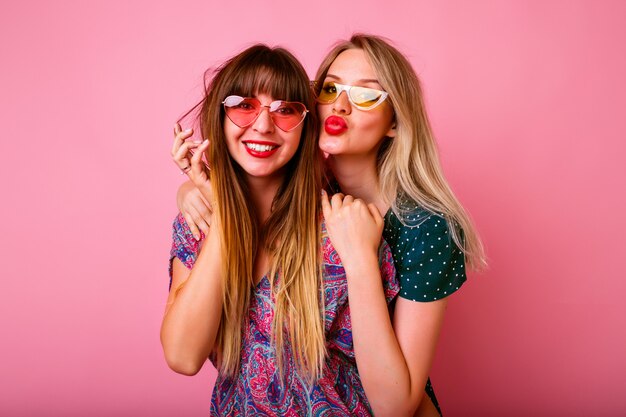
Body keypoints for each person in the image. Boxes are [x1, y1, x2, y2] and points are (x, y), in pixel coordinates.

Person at [177, 34, 487, 416]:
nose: (341, 104)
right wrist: (193, 191)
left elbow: (397, 402)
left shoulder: (425, 227)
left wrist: (359, 259)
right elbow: (249, 175)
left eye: (366, 95)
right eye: (330, 89)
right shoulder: (305, 189)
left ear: (394, 122)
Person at [160, 44, 398, 416]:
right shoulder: (199, 222)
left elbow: (391, 392)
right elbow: (182, 356)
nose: (263, 125)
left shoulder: (343, 227)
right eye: (244, 105)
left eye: (285, 110)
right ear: (220, 117)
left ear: (306, 126)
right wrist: (225, 212)